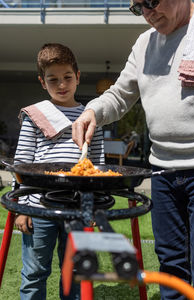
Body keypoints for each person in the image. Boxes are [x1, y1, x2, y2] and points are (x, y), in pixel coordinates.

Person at [72, 1, 194, 299]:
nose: (148, 13)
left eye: (152, 1)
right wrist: (93, 111)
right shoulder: (145, 44)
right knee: (170, 262)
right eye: (138, 7)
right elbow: (119, 95)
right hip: (163, 171)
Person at [14, 43, 104, 300]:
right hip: (38, 206)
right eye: (53, 79)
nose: (61, 85)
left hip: (77, 207)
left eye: (67, 77)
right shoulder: (35, 115)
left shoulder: (91, 116)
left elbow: (96, 163)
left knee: (74, 271)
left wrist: (94, 205)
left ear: (78, 76)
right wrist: (21, 206)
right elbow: (22, 162)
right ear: (43, 82)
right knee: (34, 272)